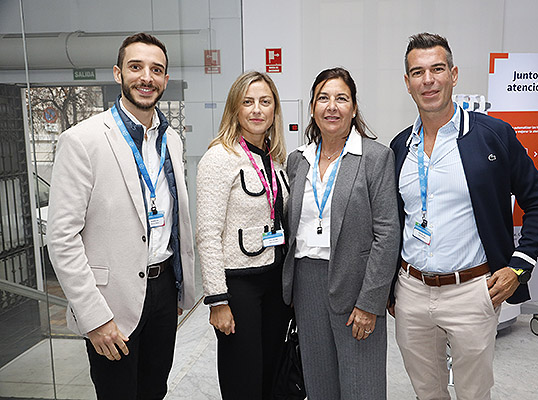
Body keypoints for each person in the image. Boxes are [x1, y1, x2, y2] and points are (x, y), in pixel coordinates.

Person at [389, 32, 538, 400]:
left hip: (472, 292)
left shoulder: (492, 135)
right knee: (426, 392)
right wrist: (391, 289)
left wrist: (518, 267)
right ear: (407, 82)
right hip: (412, 292)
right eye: (418, 72)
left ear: (454, 74)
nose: (428, 80)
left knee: (473, 393)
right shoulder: (401, 146)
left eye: (437, 69)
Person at [47, 32, 195, 399]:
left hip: (162, 290)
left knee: (154, 391)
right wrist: (94, 318)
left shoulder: (171, 140)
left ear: (164, 79)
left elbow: (173, 221)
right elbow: (62, 238)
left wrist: (178, 289)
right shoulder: (83, 140)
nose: (147, 77)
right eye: (136, 67)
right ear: (118, 73)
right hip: (110, 301)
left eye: (156, 70)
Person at [282, 67, 400, 400]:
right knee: (319, 386)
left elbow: (387, 234)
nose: (332, 106)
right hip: (306, 285)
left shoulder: (375, 158)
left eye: (341, 98)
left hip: (356, 284)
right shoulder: (298, 161)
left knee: (363, 385)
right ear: (312, 108)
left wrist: (370, 303)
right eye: (323, 98)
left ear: (353, 107)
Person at [196, 71, 290, 399]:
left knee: (270, 376)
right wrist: (217, 301)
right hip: (240, 288)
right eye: (247, 102)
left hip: (275, 285)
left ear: (274, 109)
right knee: (243, 380)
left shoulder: (276, 160)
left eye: (265, 102)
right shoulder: (219, 158)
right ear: (235, 109)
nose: (256, 110)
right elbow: (207, 234)